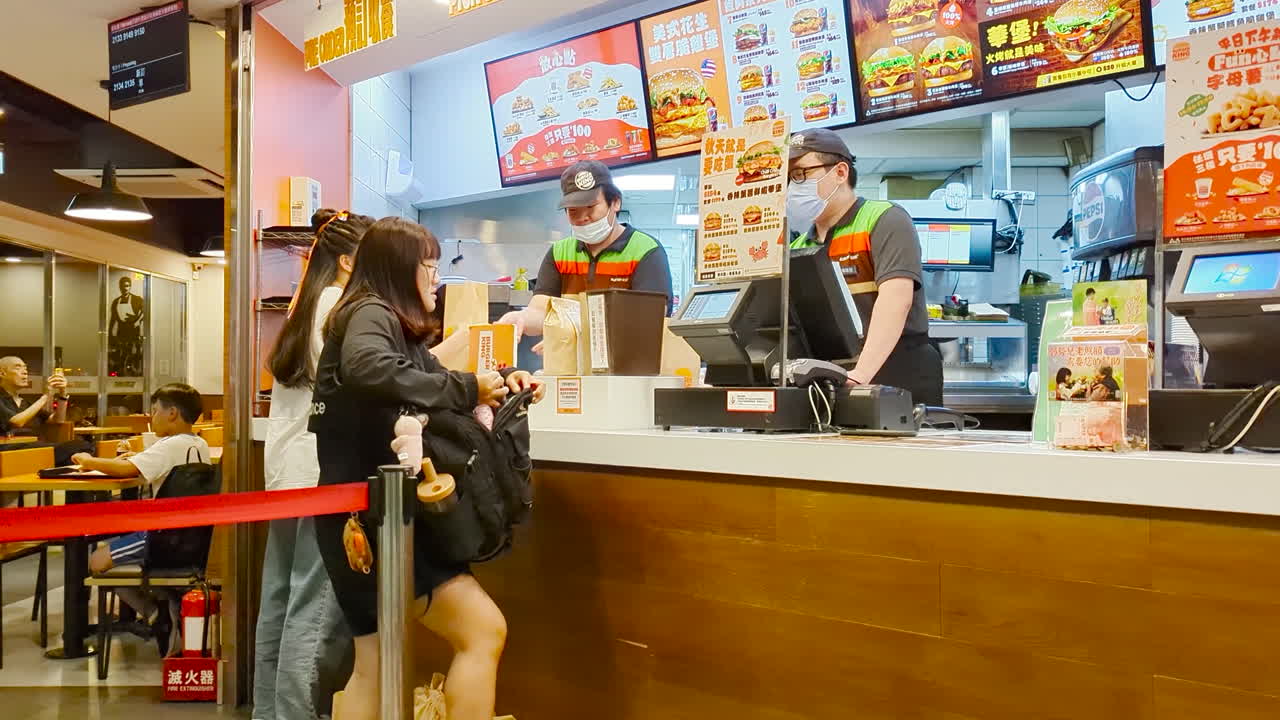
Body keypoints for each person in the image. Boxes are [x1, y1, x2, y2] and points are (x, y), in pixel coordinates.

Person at [311, 218, 544, 720]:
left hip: (358, 512)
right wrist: (469, 390)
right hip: (378, 516)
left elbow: (429, 376)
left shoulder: (373, 314)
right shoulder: (373, 312)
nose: (436, 278)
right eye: (429, 266)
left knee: (375, 660)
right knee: (481, 631)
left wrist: (503, 378)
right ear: (400, 268)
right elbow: (370, 368)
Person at [253, 209, 372, 720]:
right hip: (322, 476)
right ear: (349, 261)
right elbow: (360, 383)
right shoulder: (338, 306)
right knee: (313, 606)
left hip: (287, 473)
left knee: (278, 603)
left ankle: (268, 712)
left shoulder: (306, 305)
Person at [786, 129, 944, 406]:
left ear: (840, 172)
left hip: (896, 368)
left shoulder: (884, 219)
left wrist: (860, 375)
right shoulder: (798, 246)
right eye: (787, 178)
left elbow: (896, 300)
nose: (793, 185)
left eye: (800, 173)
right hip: (835, 375)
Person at [73, 383, 210, 652]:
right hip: (193, 537)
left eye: (155, 411)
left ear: (172, 413)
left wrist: (88, 460)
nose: (152, 416)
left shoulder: (168, 445)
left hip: (163, 537)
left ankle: (155, 614)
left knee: (96, 562)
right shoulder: (199, 443)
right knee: (117, 548)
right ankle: (164, 603)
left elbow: (126, 468)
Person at [503, 161, 674, 346]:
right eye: (573, 211)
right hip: (570, 368)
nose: (583, 218)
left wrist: (580, 336)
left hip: (627, 367)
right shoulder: (559, 253)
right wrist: (520, 318)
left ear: (615, 202)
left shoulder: (645, 250)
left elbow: (650, 319)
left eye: (591, 207)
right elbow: (541, 311)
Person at [0, 357, 65, 438]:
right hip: (12, 447)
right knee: (79, 446)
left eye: (25, 368)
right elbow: (17, 422)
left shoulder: (26, 403)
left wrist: (62, 393)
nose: (25, 372)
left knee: (80, 445)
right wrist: (46, 395)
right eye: (18, 367)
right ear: (2, 374)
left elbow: (58, 420)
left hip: (37, 446)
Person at [109, 276, 145, 376]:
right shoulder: (116, 302)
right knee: (122, 356)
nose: (125, 288)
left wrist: (137, 321)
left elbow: (144, 312)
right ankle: (121, 375)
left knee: (134, 356)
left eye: (127, 286)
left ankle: (135, 374)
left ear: (130, 287)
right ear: (119, 287)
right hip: (121, 331)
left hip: (134, 332)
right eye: (123, 286)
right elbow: (113, 319)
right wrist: (110, 335)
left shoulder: (137, 299)